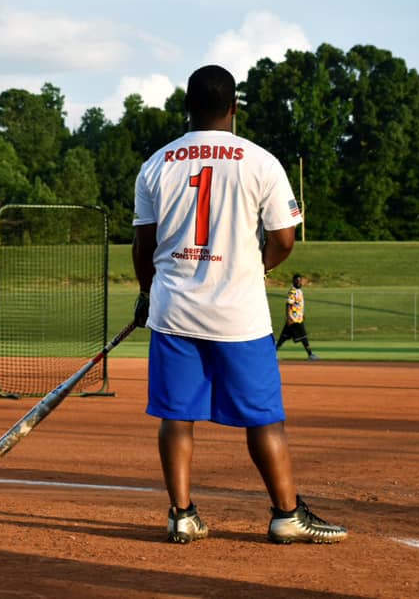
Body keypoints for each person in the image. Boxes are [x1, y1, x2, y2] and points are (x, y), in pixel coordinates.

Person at [131, 64, 347, 545]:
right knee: (263, 416)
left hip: (174, 310)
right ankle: (285, 514)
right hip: (240, 314)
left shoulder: (156, 164)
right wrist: (261, 266)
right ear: (234, 108)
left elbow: (144, 248)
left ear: (186, 107)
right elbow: (285, 238)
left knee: (177, 415)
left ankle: (182, 514)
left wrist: (146, 293)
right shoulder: (260, 161)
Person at [276, 274, 319, 360]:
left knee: (284, 337)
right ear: (293, 281)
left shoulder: (299, 291)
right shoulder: (293, 291)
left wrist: (302, 314)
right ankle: (310, 354)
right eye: (297, 281)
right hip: (294, 319)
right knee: (303, 336)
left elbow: (299, 305)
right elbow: (288, 304)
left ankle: (272, 353)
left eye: (300, 281)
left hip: (298, 318)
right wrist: (288, 316)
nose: (299, 282)